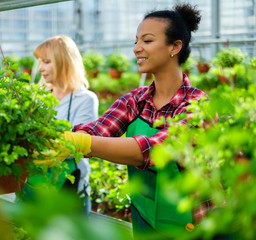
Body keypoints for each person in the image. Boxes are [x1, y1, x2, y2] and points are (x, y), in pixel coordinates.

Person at [35, 3, 209, 238]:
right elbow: (97, 129)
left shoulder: (197, 104)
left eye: (147, 41)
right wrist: (42, 137)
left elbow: (156, 150)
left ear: (175, 47)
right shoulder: (135, 100)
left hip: (194, 223)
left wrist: (82, 143)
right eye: (136, 41)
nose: (137, 48)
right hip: (145, 216)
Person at [24, 35, 99, 214]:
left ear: (64, 62)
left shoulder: (85, 99)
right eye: (40, 62)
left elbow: (81, 144)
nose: (40, 68)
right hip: (33, 186)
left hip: (69, 191)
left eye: (47, 62)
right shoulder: (37, 96)